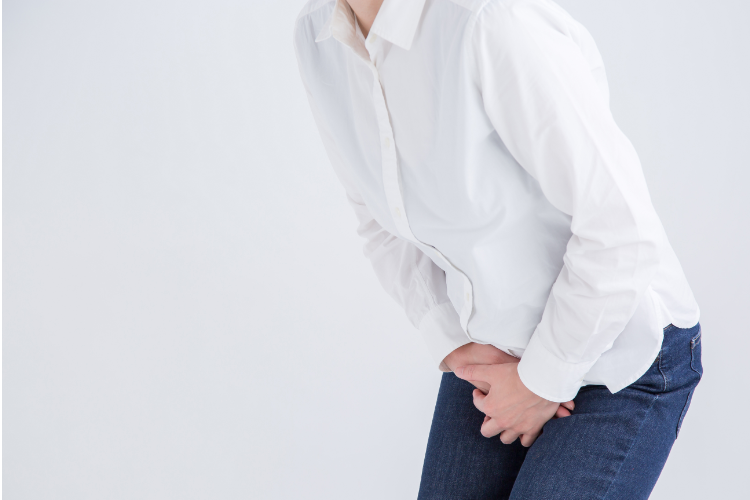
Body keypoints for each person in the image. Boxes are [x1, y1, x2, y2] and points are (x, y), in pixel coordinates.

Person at [293, 0, 702, 498]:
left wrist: (541, 381)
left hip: (619, 345)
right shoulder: (318, 37)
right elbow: (378, 222)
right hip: (496, 345)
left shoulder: (490, 20)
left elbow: (620, 226)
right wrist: (453, 342)